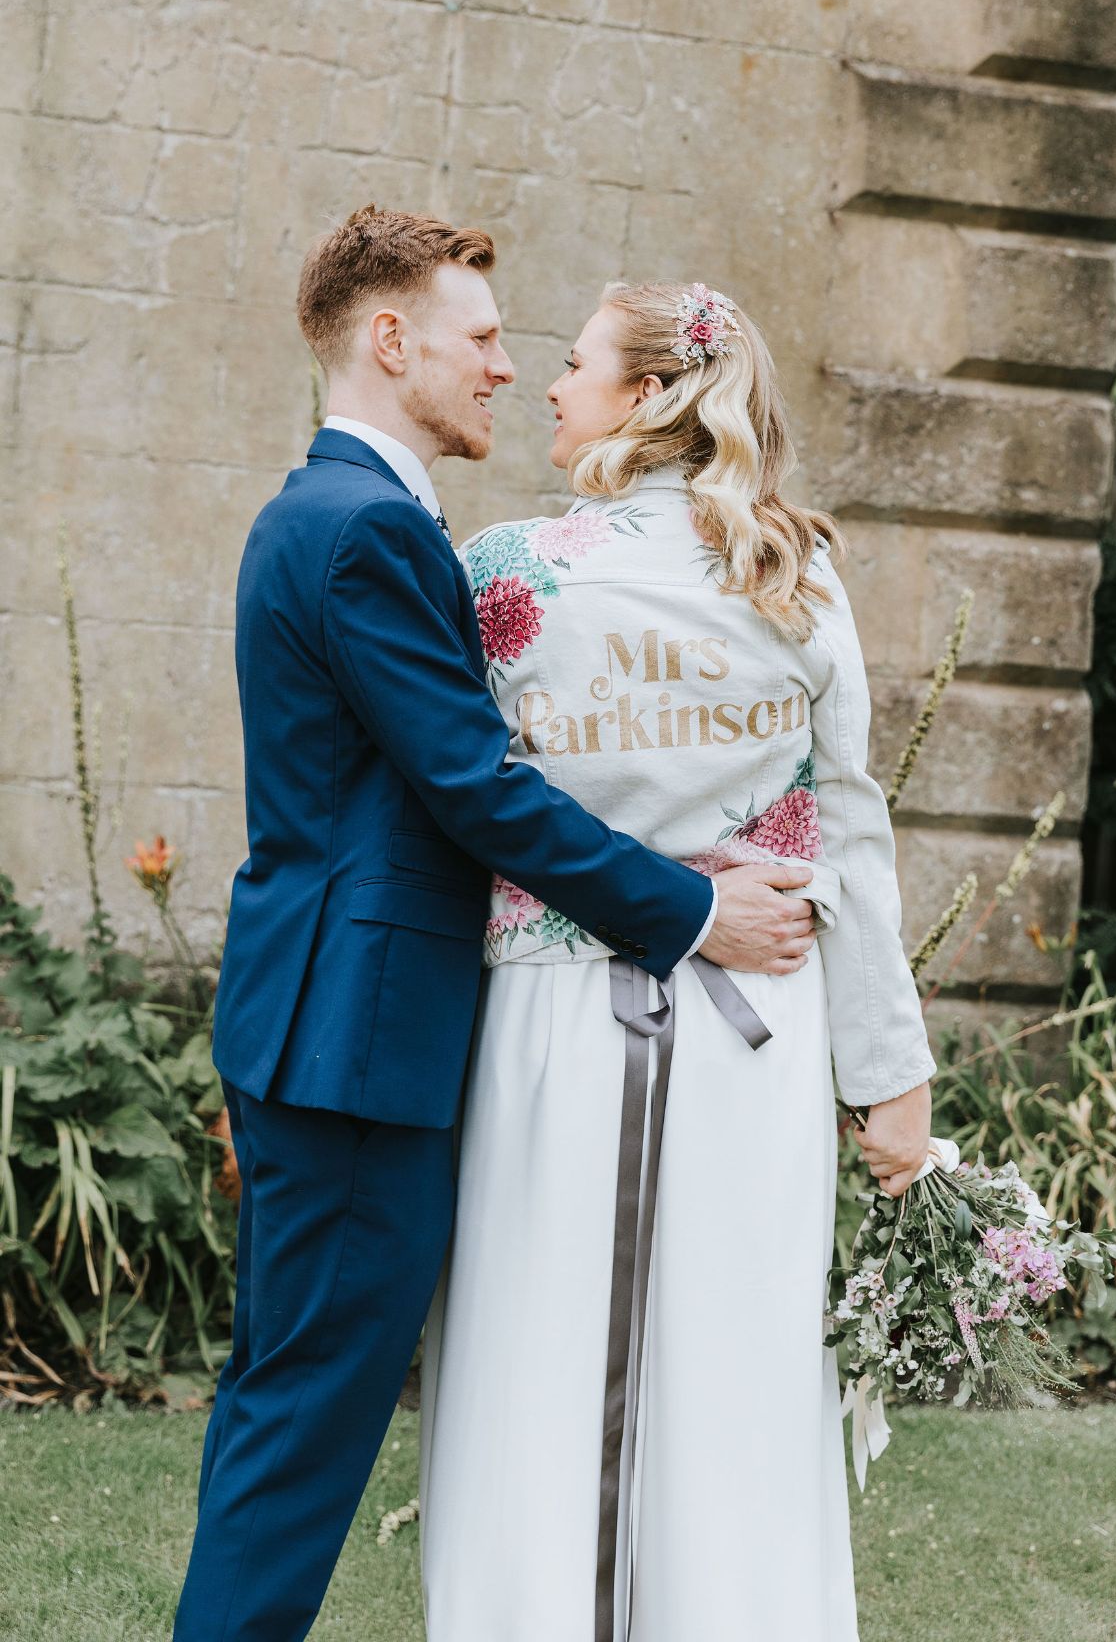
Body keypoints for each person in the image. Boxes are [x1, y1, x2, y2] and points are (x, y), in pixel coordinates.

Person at [173, 213, 816, 1642]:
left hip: (327, 1026)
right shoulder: (367, 534)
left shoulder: (336, 516)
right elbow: (477, 791)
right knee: (299, 1425)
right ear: (389, 341)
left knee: (285, 1399)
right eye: (479, 338)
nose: (506, 370)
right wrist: (693, 910)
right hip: (359, 1041)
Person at [418, 279, 936, 1641]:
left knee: (528, 1348)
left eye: (576, 362)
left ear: (645, 396)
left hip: (547, 1020)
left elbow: (456, 805)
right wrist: (891, 1075)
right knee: (735, 1355)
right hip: (754, 1018)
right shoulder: (796, 571)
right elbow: (853, 832)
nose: (547, 382)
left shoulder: (504, 571)